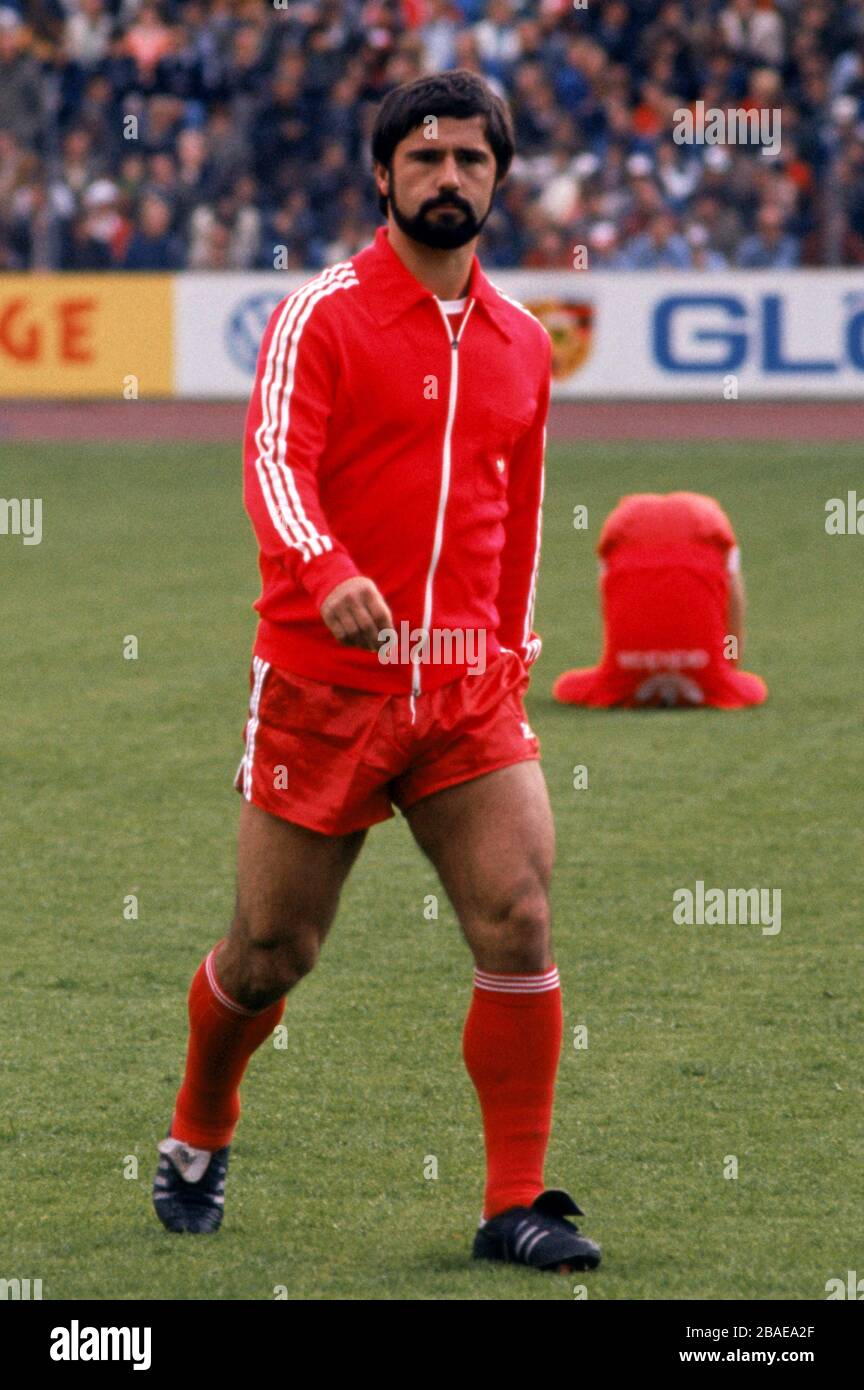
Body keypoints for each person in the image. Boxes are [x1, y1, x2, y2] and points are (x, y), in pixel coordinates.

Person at [153, 69, 601, 1276]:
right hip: (324, 685)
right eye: (425, 157)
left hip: (466, 694)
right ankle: (201, 1127)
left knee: (518, 916)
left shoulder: (520, 341)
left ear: (500, 178)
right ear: (382, 175)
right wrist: (326, 568)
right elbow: (273, 461)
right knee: (271, 952)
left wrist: (509, 640)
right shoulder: (324, 314)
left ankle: (517, 1203)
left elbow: (520, 503)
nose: (447, 176)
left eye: (469, 158)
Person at [553, 492, 768, 709]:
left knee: (567, 686)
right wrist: (730, 662)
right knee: (754, 688)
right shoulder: (715, 685)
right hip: (696, 523)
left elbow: (613, 602)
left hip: (630, 525)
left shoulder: (617, 684)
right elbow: (734, 604)